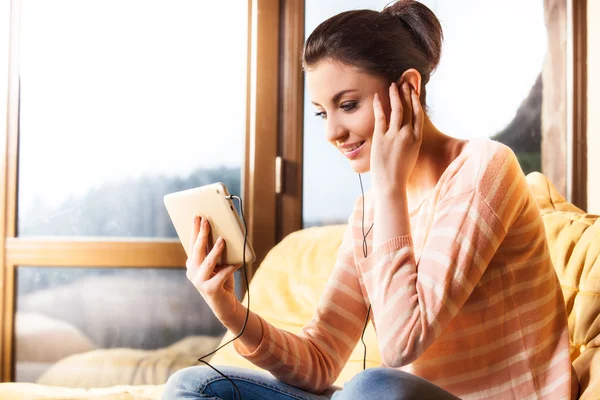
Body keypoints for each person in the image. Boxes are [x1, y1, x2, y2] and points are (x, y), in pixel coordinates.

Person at [163, 1, 575, 399]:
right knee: (191, 386)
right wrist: (228, 308)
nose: (333, 134)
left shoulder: (483, 168)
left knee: (371, 386)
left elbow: (401, 343)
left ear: (408, 88)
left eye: (348, 105)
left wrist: (389, 187)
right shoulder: (369, 213)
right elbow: (320, 360)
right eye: (324, 113)